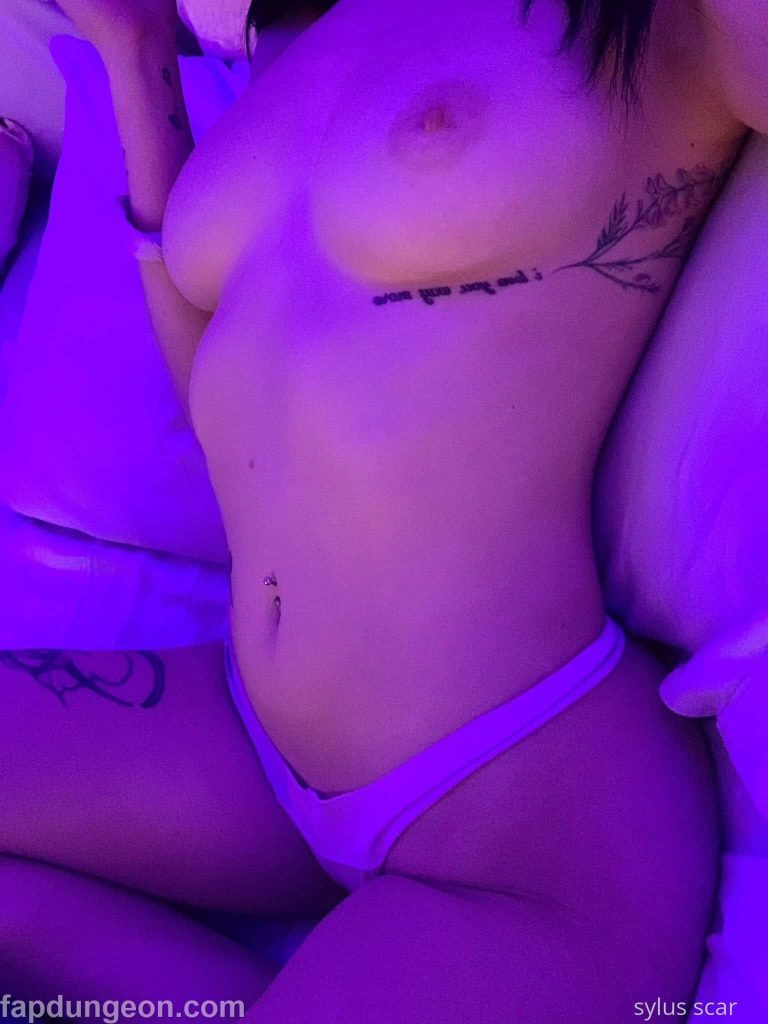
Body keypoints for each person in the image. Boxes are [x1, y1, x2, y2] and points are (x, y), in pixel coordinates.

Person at [0, 0, 759, 1019]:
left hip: (514, 806)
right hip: (252, 735)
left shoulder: (672, 22)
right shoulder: (306, 28)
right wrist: (135, 55)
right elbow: (227, 388)